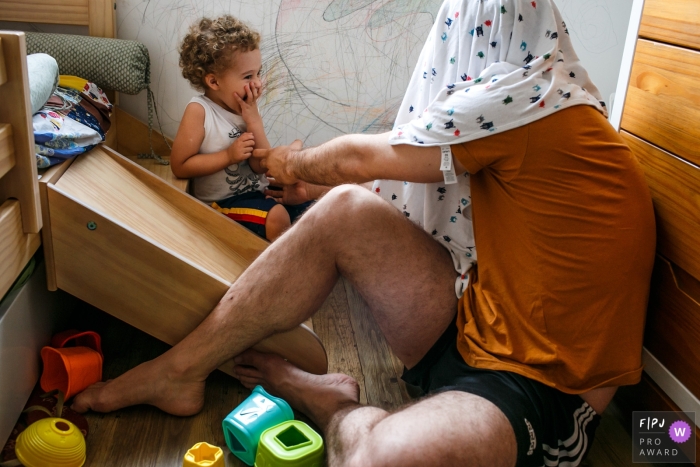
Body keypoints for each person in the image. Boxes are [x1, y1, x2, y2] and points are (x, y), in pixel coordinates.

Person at [72, 1, 655, 466]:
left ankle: (332, 407)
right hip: (478, 327)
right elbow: (392, 184)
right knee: (346, 209)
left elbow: (358, 157)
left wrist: (291, 167)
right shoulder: (533, 103)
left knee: (380, 455)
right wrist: (311, 191)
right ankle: (181, 369)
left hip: (542, 387)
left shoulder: (530, 104)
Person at [170, 15, 307, 241]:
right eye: (247, 76)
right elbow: (180, 165)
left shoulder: (247, 108)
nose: (258, 83)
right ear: (214, 82)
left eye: (258, 73)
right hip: (221, 204)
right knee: (277, 217)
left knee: (311, 204)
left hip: (258, 193)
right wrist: (228, 156)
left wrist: (254, 121)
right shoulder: (200, 111)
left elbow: (259, 165)